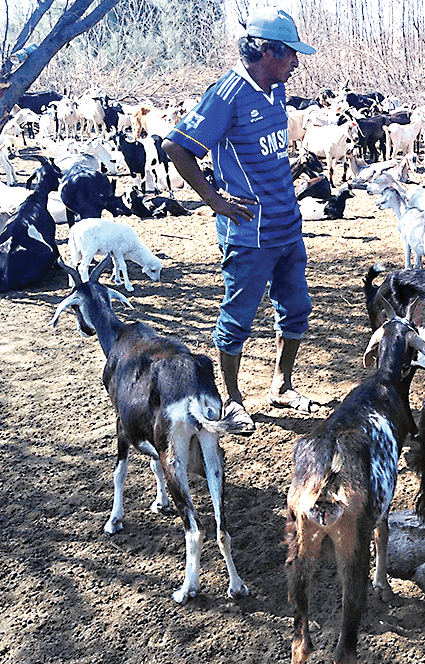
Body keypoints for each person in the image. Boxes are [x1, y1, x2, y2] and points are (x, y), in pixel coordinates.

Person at [162, 7, 319, 434]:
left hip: (287, 227)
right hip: (249, 234)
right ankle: (232, 399)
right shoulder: (227, 94)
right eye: (290, 54)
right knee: (238, 319)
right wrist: (213, 198)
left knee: (297, 310)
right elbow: (176, 146)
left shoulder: (277, 90)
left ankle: (282, 385)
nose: (295, 63)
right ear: (266, 51)